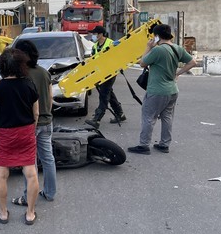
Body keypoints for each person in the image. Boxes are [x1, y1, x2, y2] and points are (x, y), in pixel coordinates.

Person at [0, 48, 39, 225]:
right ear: (21, 65)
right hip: (26, 131)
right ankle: (30, 213)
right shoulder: (29, 84)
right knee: (31, 173)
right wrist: (33, 128)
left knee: (2, 173)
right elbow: (36, 112)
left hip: (4, 134)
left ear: (2, 66)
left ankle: (3, 213)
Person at [128, 24, 196, 154]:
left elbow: (142, 63)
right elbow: (192, 62)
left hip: (157, 91)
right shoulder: (177, 48)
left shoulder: (158, 50)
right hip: (172, 90)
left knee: (148, 117)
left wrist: (148, 46)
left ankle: (144, 145)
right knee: (167, 117)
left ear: (157, 36)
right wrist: (178, 73)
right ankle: (164, 144)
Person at [11, 40, 56, 204]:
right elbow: (50, 98)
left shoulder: (22, 75)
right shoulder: (44, 73)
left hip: (29, 123)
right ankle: (50, 193)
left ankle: (28, 197)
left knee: (29, 162)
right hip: (46, 121)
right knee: (48, 158)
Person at [84, 26, 126, 128]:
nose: (94, 36)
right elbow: (93, 61)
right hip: (100, 73)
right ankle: (120, 114)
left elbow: (118, 56)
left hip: (110, 73)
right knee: (108, 93)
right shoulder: (95, 46)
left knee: (104, 94)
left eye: (95, 34)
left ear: (101, 34)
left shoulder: (111, 43)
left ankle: (97, 119)